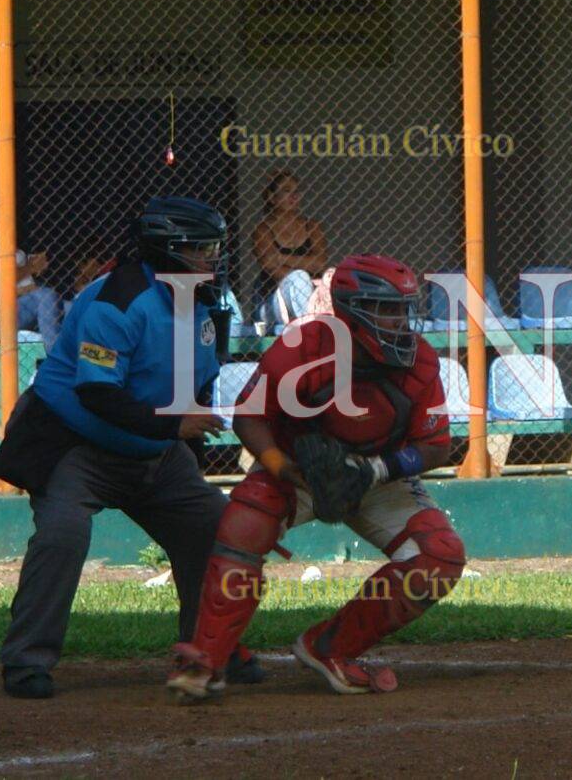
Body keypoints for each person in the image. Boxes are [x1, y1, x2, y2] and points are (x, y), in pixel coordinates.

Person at [0, 197, 264, 699]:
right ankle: (26, 661)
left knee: (215, 523)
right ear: (167, 251)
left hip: (154, 452)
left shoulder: (203, 300)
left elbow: (197, 383)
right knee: (63, 534)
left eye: (214, 248)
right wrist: (173, 426)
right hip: (77, 445)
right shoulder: (115, 300)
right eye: (199, 249)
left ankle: (210, 648)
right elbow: (97, 394)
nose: (212, 258)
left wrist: (184, 434)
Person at [165, 253, 461, 702]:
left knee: (440, 558)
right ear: (348, 309)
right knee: (246, 521)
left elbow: (438, 445)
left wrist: (377, 469)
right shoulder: (303, 346)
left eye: (404, 308)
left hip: (379, 473)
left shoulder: (418, 360)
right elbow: (249, 417)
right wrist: (283, 468)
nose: (399, 320)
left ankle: (330, 647)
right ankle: (206, 660)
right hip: (298, 470)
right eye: (385, 308)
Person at [253, 171, 328, 327]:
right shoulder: (263, 229)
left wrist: (281, 258)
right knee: (299, 277)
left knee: (303, 279)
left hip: (311, 297)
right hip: (275, 299)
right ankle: (312, 330)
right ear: (272, 198)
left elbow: (320, 263)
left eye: (296, 192)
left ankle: (309, 326)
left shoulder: (311, 226)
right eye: (287, 191)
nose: (294, 196)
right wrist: (305, 268)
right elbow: (273, 269)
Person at [0, 212, 63, 347]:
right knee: (45, 296)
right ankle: (56, 360)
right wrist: (30, 268)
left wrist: (35, 262)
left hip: (31, 298)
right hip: (10, 307)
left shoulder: (4, 240)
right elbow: (0, 278)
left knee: (72, 307)